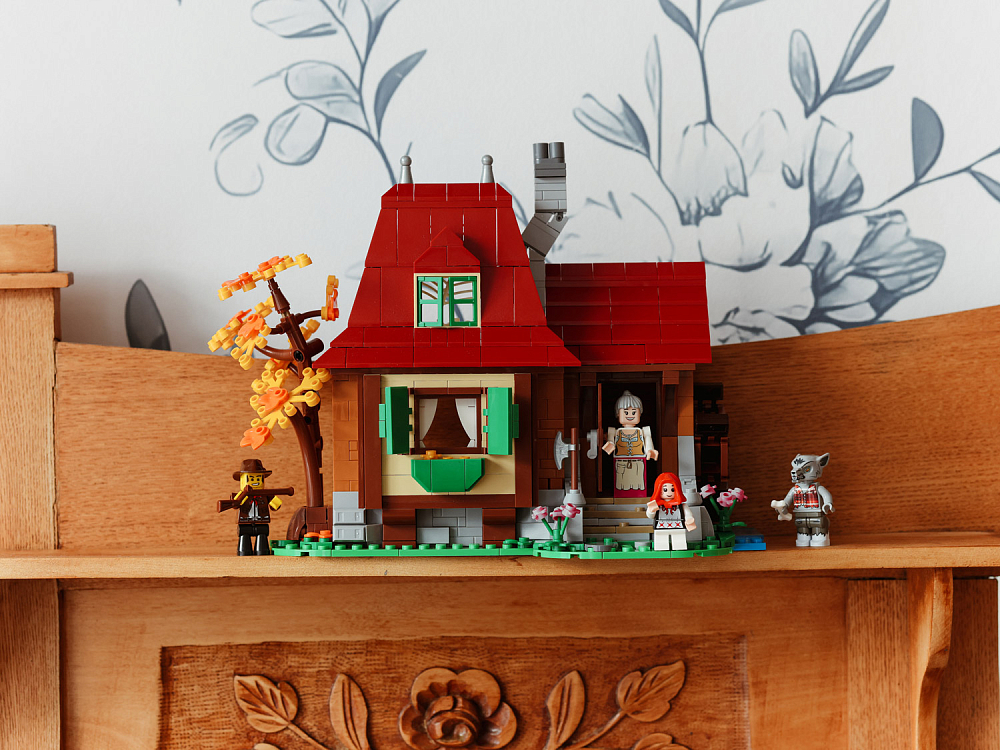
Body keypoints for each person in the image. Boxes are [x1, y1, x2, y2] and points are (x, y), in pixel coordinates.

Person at [218, 458, 294, 556]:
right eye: (251, 479)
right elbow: (235, 504)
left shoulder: (265, 495)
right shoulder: (241, 495)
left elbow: (276, 506)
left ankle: (262, 551)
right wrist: (244, 493)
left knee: (262, 543)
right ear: (242, 479)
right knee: (244, 542)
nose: (255, 481)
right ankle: (244, 551)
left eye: (258, 478)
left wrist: (274, 501)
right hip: (245, 523)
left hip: (261, 522)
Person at [602, 390, 659, 497]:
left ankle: (638, 496)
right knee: (622, 483)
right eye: (625, 412)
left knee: (638, 482)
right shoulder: (614, 431)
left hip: (639, 461)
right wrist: (610, 444)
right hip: (620, 461)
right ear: (618, 414)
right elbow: (610, 441)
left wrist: (650, 450)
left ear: (640, 413)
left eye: (634, 412)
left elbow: (647, 439)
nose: (630, 415)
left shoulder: (643, 430)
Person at [645, 472, 696, 551]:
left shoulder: (681, 506)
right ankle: (662, 548)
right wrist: (651, 511)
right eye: (665, 490)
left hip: (678, 526)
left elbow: (688, 514)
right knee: (661, 542)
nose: (669, 493)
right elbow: (650, 516)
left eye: (672, 490)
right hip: (661, 526)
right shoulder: (657, 505)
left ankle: (679, 548)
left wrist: (689, 519)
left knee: (679, 541)